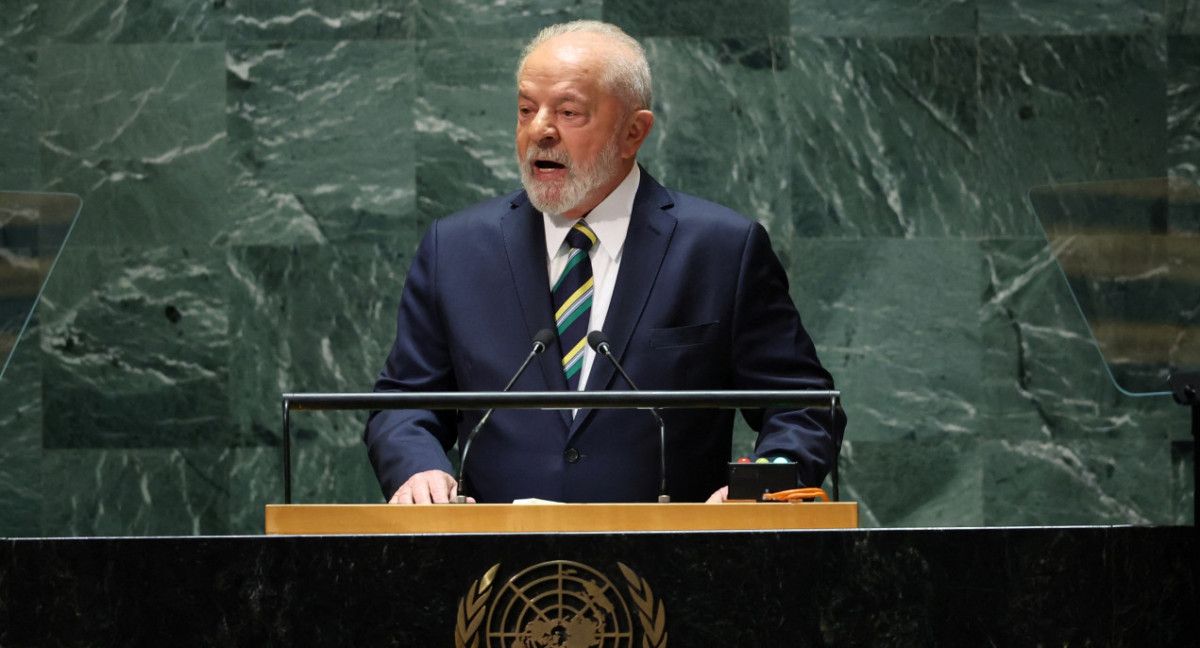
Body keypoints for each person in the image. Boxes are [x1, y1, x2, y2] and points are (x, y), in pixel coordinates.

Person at [365, 20, 845, 504]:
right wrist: (419, 469)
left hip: (676, 563)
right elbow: (404, 405)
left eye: (569, 112)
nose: (540, 130)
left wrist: (760, 487)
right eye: (526, 109)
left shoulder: (722, 249)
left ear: (633, 132)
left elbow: (803, 408)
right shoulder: (457, 248)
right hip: (499, 568)